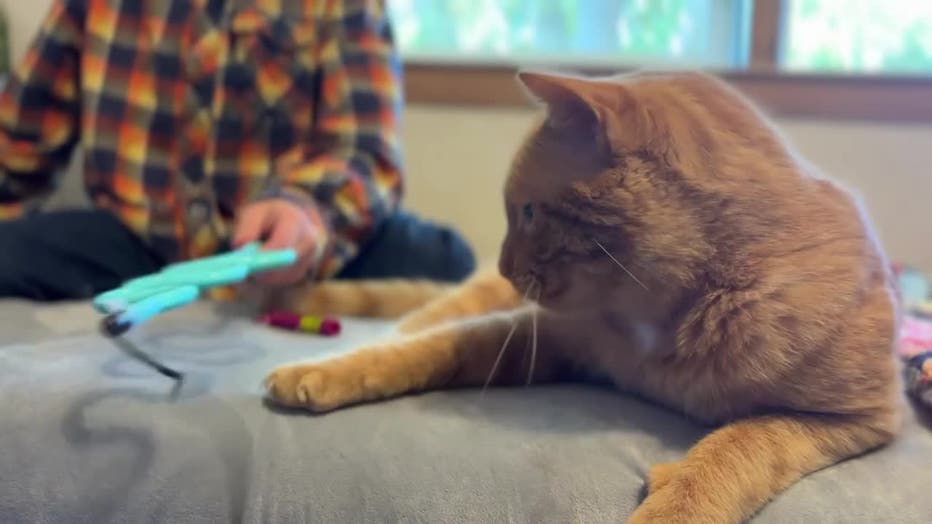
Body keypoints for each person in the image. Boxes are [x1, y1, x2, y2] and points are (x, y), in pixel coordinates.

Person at [0, 0, 474, 300]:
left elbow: (365, 147)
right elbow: (20, 135)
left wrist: (307, 208)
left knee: (445, 260)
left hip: (284, 251)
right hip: (134, 244)